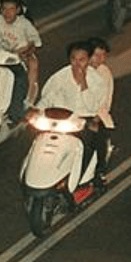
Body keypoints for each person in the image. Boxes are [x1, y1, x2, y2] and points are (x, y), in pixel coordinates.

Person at [37, 40, 109, 180]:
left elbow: (93, 107)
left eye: (82, 60)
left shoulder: (97, 81)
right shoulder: (59, 77)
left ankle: (92, 174)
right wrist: (36, 111)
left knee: (93, 140)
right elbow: (47, 97)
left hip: (83, 119)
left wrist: (83, 84)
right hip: (59, 119)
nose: (77, 64)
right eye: (73, 59)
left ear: (88, 60)